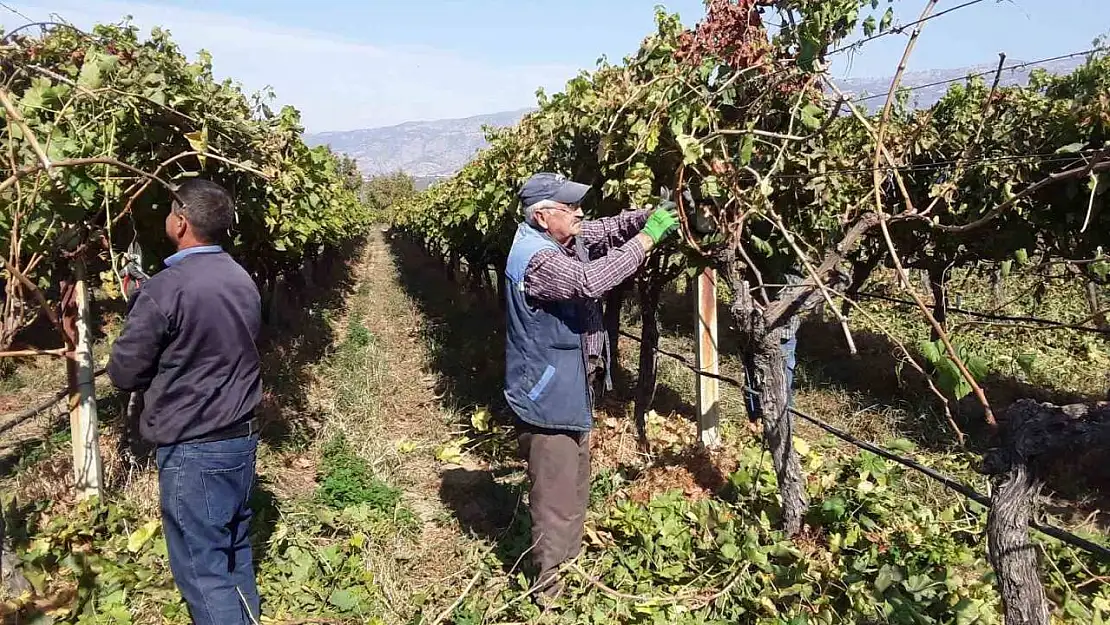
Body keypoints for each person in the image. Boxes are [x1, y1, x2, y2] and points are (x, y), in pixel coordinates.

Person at [503, 172, 680, 602]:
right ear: (544, 217)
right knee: (554, 492)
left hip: (567, 385)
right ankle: (549, 588)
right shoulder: (537, 259)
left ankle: (569, 563)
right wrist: (648, 239)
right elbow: (590, 282)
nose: (580, 213)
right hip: (547, 393)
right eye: (570, 208)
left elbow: (604, 228)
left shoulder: (561, 237)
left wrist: (653, 214)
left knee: (574, 481)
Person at [108, 179, 263, 625]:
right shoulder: (240, 277)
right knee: (234, 551)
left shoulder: (166, 287)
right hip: (240, 439)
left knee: (203, 570)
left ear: (181, 222)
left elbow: (124, 373)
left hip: (193, 446)